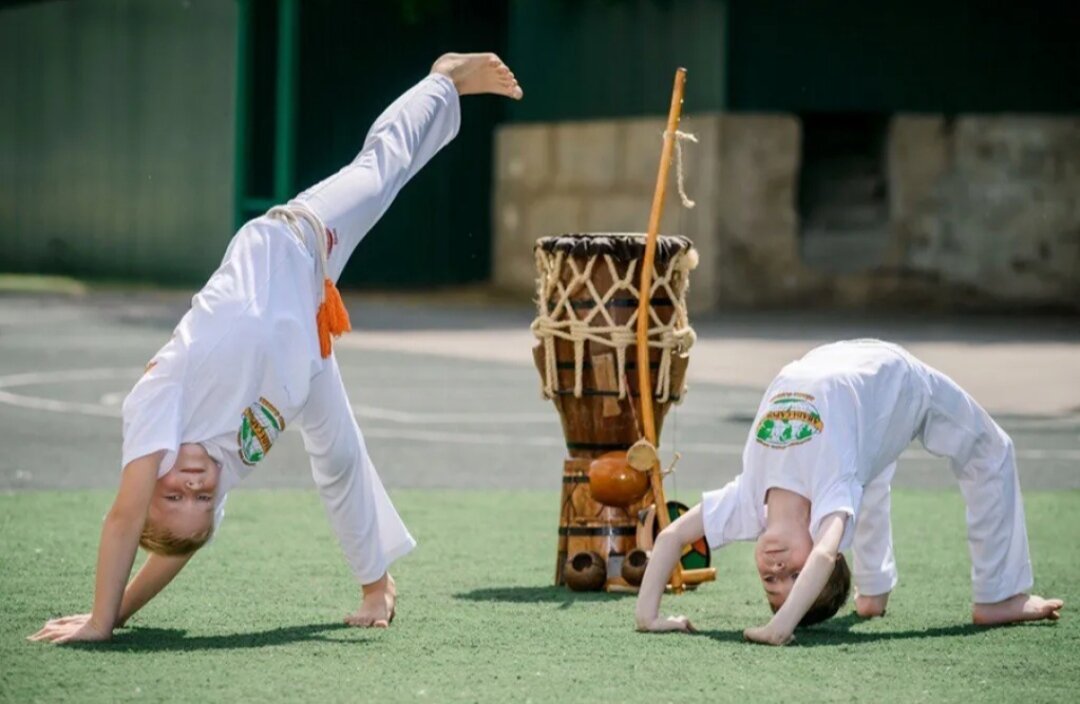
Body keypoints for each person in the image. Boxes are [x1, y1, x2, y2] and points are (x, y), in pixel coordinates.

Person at [29, 53, 523, 645]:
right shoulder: (222, 466)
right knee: (339, 457)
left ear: (148, 485)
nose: (192, 481)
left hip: (293, 242)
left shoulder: (159, 409)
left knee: (379, 170)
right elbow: (181, 543)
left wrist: (103, 619)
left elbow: (123, 518)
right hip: (305, 350)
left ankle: (442, 78)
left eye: (173, 493)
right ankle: (377, 585)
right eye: (200, 497)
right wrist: (145, 585)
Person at [634, 339, 1064, 644]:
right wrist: (778, 628)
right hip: (900, 385)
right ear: (830, 548)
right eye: (795, 576)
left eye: (770, 580)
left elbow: (671, 537)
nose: (778, 567)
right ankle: (1000, 595)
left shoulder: (746, 504)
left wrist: (649, 617)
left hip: (837, 362)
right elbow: (823, 553)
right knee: (992, 450)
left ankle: (872, 592)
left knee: (867, 480)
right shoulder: (831, 497)